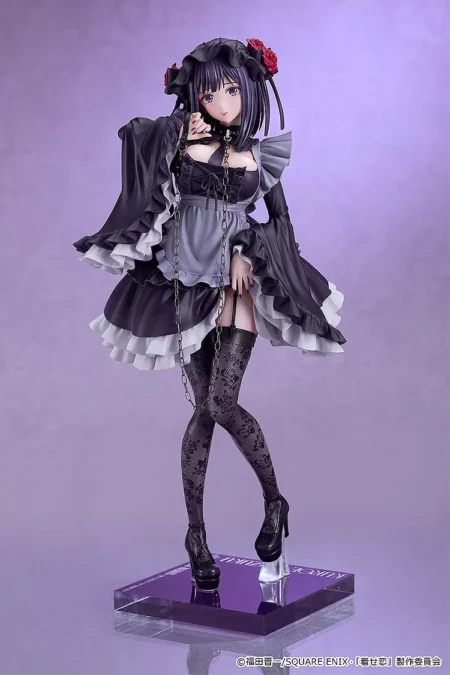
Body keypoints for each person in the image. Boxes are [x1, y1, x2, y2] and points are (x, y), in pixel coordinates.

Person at [73, 37, 346, 592]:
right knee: (203, 410)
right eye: (210, 93)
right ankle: (196, 536)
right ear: (194, 97)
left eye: (232, 91)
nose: (223, 102)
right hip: (181, 280)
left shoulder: (260, 157)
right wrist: (178, 131)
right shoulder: (180, 139)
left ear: (250, 91)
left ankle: (274, 502)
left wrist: (249, 249)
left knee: (221, 402)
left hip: (234, 286)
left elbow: (280, 222)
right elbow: (133, 137)